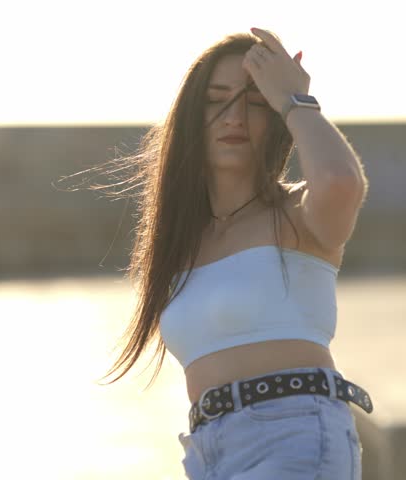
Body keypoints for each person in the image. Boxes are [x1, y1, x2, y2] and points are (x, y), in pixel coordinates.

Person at [80, 27, 371, 479]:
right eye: (216, 101)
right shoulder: (181, 243)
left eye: (255, 101)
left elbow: (340, 181)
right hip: (208, 451)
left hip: (294, 436)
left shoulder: (296, 215)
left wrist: (295, 99)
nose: (234, 116)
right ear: (192, 118)